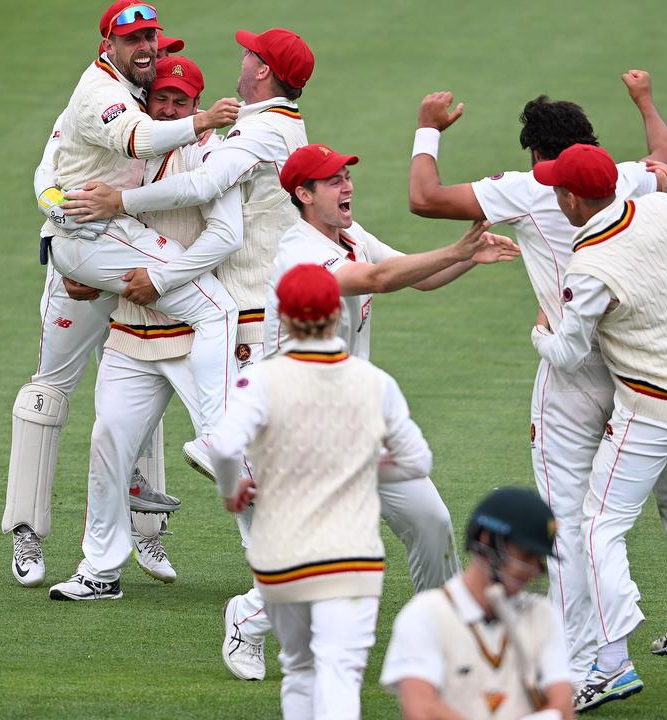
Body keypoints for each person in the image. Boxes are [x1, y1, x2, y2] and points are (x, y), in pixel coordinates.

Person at [406, 73, 667, 681]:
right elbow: (666, 161)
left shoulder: (528, 188)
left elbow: (424, 198)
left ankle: (588, 659)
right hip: (641, 367)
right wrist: (646, 102)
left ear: (537, 155)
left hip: (571, 365)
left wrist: (427, 127)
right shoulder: (620, 175)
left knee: (574, 519)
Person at [207, 142, 519, 682]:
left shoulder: (351, 236)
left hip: (354, 417)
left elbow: (411, 275)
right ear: (303, 195)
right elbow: (376, 281)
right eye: (332, 181)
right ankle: (249, 617)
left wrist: (467, 255)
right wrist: (455, 249)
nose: (347, 186)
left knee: (431, 520)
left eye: (347, 175)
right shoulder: (299, 255)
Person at [61, 26, 315, 678]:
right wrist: (89, 272)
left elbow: (225, 235)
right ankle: (100, 569)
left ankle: (278, 576)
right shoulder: (129, 153)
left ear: (198, 104)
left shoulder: (216, 153)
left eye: (182, 100)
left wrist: (161, 279)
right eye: (162, 100)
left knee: (229, 459)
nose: (170, 109)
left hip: (197, 333)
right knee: (109, 446)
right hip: (130, 328)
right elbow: (94, 227)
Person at [7, 9, 234, 588]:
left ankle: (145, 531)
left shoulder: (171, 121)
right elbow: (46, 171)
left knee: (140, 377)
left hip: (133, 263)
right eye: (139, 45)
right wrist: (62, 225)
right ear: (112, 44)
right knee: (50, 388)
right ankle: (27, 529)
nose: (155, 69)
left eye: (155, 46)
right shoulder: (99, 99)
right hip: (86, 261)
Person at [530, 144, 667, 712]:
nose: (555, 197)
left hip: (654, 408)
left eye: (557, 190)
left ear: (572, 198)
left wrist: (539, 333)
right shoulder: (659, 207)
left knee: (597, 526)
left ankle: (611, 665)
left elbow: (570, 355)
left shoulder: (589, 265)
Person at [205, 264, 434, 720]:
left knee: (299, 671)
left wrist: (233, 489)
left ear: (284, 319)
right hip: (352, 556)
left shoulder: (262, 381)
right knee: (340, 673)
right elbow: (416, 461)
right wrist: (355, 469)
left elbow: (225, 446)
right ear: (337, 316)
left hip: (279, 555)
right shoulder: (375, 382)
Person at [380, 487, 575, 720]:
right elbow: (420, 709)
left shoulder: (542, 615)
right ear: (486, 540)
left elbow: (563, 708)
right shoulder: (424, 614)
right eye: (525, 555)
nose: (533, 570)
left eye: (539, 559)